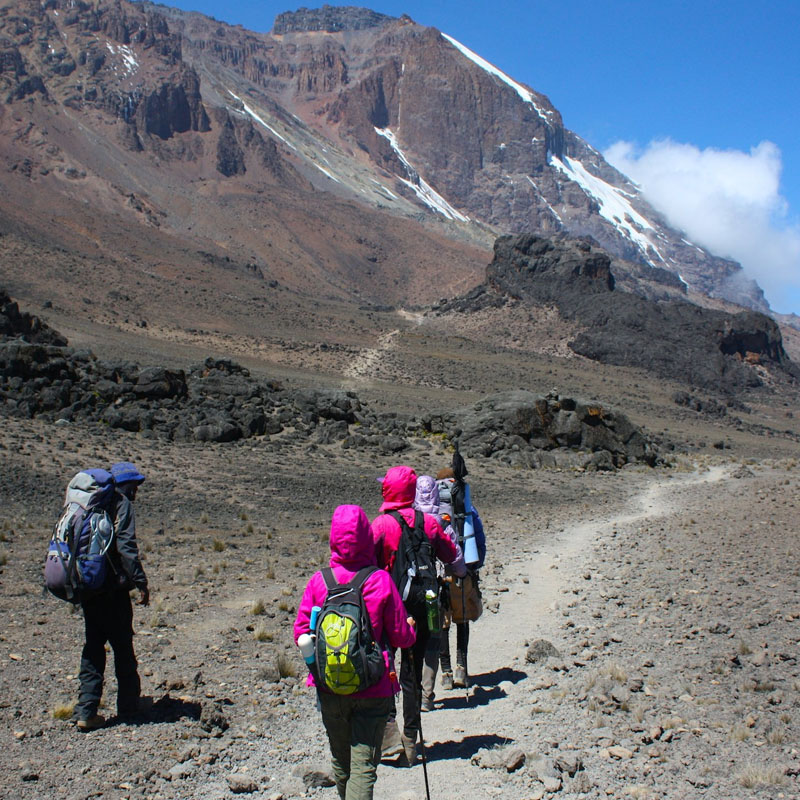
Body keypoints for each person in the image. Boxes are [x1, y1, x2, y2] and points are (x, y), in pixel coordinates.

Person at [295, 505, 416, 800]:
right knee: (364, 767)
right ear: (366, 537)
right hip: (373, 687)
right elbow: (401, 636)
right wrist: (411, 628)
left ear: (333, 539)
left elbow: (301, 632)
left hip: (329, 686)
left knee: (341, 761)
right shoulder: (380, 581)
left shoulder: (319, 581)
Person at [370, 465, 464, 764]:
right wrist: (461, 572)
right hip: (423, 604)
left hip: (388, 606)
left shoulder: (381, 525)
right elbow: (452, 556)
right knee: (411, 672)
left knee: (384, 666)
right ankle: (411, 741)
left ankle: (388, 734)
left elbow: (367, 564)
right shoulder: (429, 522)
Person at [74, 461, 150, 731]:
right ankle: (129, 707)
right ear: (124, 486)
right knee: (123, 647)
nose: (136, 493)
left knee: (93, 647)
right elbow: (127, 546)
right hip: (113, 591)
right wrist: (140, 582)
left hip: (88, 588)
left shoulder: (88, 505)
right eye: (134, 487)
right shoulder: (120, 504)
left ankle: (86, 710)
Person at [413, 475, 464, 712]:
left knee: (409, 643)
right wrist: (460, 573)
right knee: (433, 637)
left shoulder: (404, 521)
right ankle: (426, 695)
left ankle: (410, 693)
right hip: (433, 588)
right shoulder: (439, 523)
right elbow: (453, 556)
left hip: (405, 591)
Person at [436, 467, 486, 690]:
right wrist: (476, 565)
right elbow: (479, 538)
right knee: (462, 619)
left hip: (440, 572)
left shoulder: (431, 509)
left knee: (442, 623)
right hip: (464, 568)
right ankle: (461, 669)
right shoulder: (467, 508)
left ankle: (445, 673)